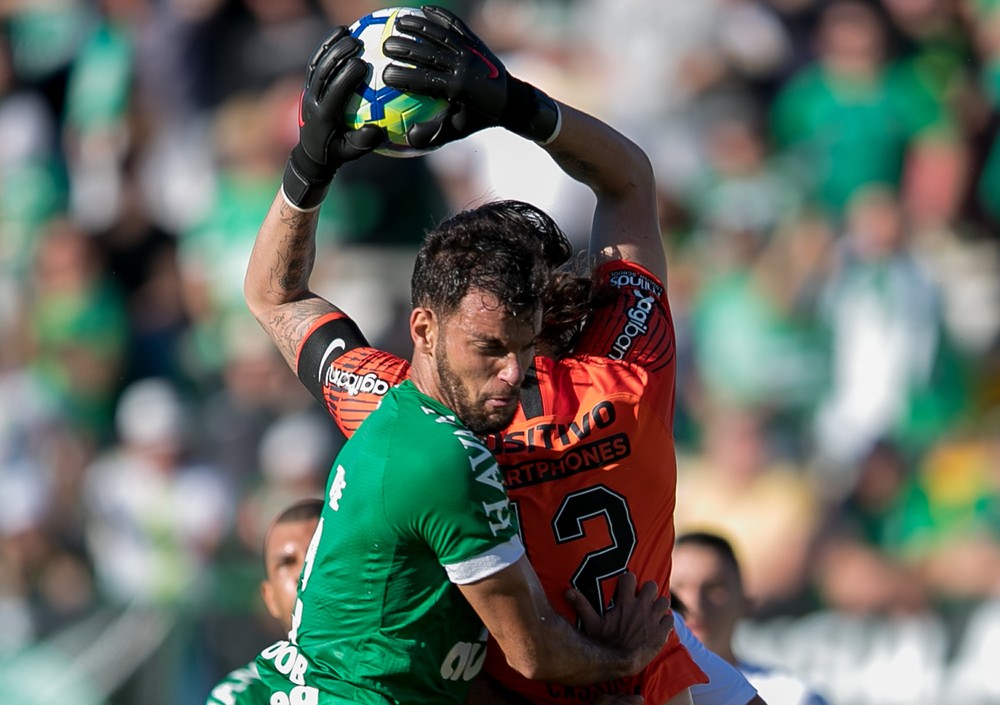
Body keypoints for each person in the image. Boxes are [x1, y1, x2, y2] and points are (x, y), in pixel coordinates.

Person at [244, 6, 761, 705]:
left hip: (558, 675)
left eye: (506, 345)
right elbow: (629, 181)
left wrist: (310, 163)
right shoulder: (633, 366)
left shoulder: (407, 406)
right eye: (490, 348)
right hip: (647, 662)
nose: (508, 374)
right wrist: (516, 105)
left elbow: (276, 297)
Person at [672, 532, 831, 705]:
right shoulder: (643, 690)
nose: (695, 603)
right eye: (679, 587)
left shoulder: (792, 696)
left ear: (745, 602)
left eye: (714, 588)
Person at [206, 497, 323, 705]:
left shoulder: (396, 673)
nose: (304, 572)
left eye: (318, 554)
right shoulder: (242, 698)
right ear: (270, 598)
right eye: (287, 562)